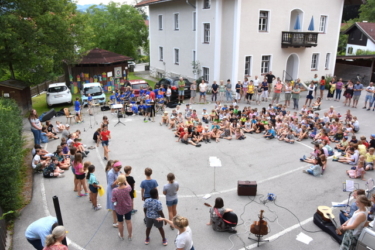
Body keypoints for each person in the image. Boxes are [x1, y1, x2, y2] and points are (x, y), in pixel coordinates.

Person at [112, 175, 133, 241]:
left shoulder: (115, 190)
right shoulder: (128, 188)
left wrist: (115, 206)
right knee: (128, 222)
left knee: (120, 222)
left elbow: (113, 200)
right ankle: (130, 235)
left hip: (119, 209)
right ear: (124, 181)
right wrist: (125, 181)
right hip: (127, 207)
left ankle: (121, 235)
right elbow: (129, 186)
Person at [107, 161, 122, 227]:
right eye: (118, 168)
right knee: (114, 207)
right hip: (113, 191)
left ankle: (119, 216)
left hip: (117, 190)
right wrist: (118, 180)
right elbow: (111, 185)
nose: (119, 169)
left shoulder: (117, 171)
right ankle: (115, 222)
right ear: (114, 167)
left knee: (118, 205)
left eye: (120, 168)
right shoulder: (111, 173)